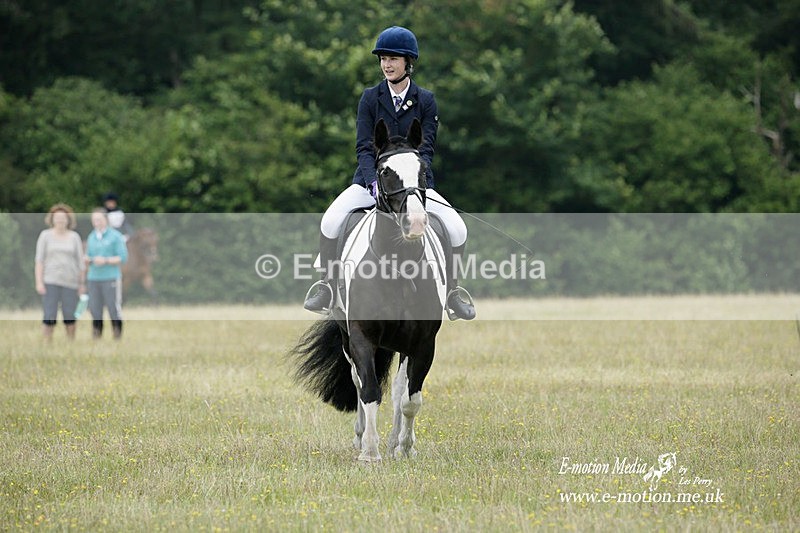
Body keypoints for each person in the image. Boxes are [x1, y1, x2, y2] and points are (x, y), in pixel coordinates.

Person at [303, 25, 475, 320]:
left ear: (409, 63)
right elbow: (364, 148)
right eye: (383, 58)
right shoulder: (370, 98)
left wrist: (413, 186)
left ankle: (452, 293)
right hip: (371, 180)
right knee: (331, 220)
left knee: (458, 228)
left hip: (413, 186)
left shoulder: (426, 100)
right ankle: (328, 288)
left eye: (393, 58)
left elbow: (426, 150)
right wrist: (372, 182)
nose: (387, 64)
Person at [34, 203, 86, 340]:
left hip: (70, 281)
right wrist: (39, 282)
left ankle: (70, 343)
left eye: (63, 217)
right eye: (57, 217)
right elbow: (39, 260)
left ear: (68, 219)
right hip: (50, 280)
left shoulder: (74, 237)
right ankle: (47, 343)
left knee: (70, 314)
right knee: (49, 313)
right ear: (52, 219)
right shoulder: (45, 236)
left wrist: (81, 283)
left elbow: (80, 262)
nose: (60, 220)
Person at [85, 208, 128, 339]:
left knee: (113, 308)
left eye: (99, 219)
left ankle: (117, 336)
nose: (96, 222)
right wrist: (88, 259)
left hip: (110, 278)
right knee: (95, 309)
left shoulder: (115, 236)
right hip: (93, 277)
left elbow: (123, 257)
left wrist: (106, 260)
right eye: (94, 220)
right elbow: (89, 255)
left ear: (106, 220)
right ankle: (97, 336)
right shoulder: (91, 236)